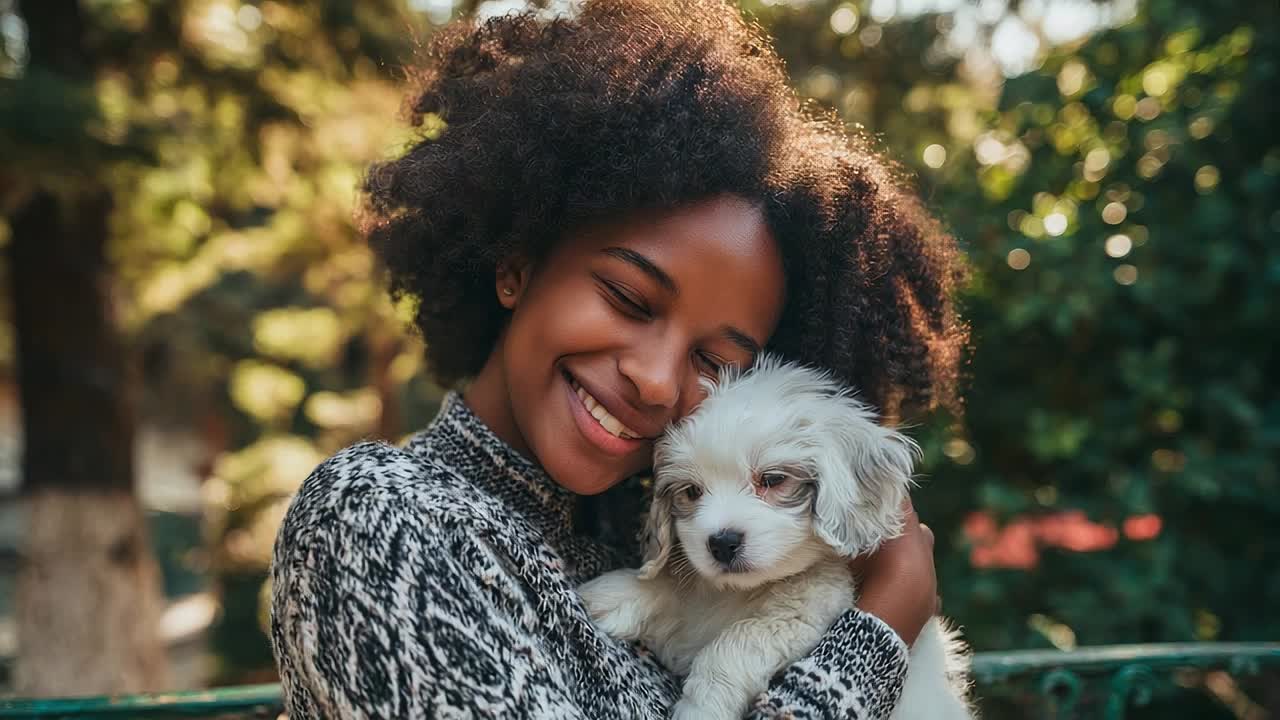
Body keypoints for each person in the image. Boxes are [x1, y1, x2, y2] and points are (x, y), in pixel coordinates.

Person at [270, 0, 968, 717]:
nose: (658, 378)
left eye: (714, 360)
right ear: (516, 264)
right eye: (629, 299)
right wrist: (878, 631)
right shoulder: (380, 518)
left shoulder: (653, 530)